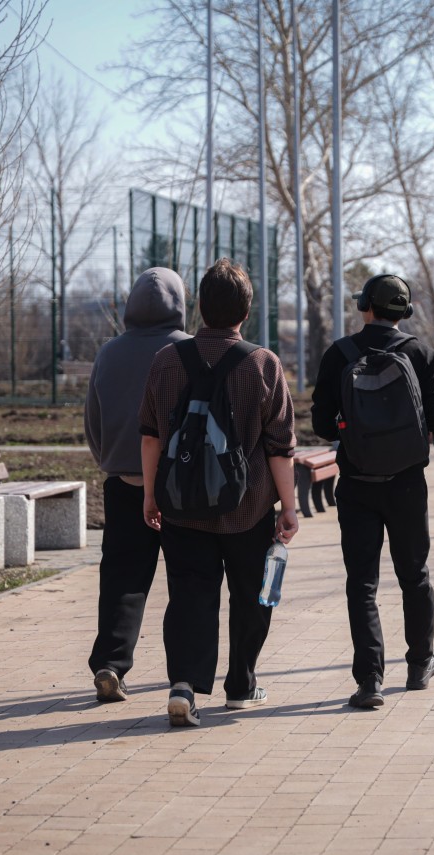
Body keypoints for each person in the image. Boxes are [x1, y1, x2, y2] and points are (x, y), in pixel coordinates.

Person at [311, 273, 434, 709]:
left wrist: (353, 430)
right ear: (403, 312)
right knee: (415, 575)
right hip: (407, 485)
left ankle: (370, 681)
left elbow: (321, 426)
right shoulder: (422, 354)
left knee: (361, 585)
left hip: (356, 485)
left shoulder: (340, 353)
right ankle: (420, 663)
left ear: (365, 306)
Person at [139, 258, 299, 727]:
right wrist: (289, 508)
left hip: (182, 504)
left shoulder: (166, 361)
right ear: (245, 311)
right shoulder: (263, 364)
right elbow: (280, 448)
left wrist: (150, 495)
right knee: (251, 595)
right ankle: (241, 686)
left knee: (190, 595)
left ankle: (184, 686)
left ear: (200, 308)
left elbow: (150, 435)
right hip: (248, 507)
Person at [85, 267, 193, 703]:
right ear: (180, 303)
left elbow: (92, 419)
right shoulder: (188, 351)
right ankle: (182, 674)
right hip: (180, 485)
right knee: (186, 578)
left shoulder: (109, 353)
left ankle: (111, 664)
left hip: (124, 481)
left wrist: (109, 459)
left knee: (121, 578)